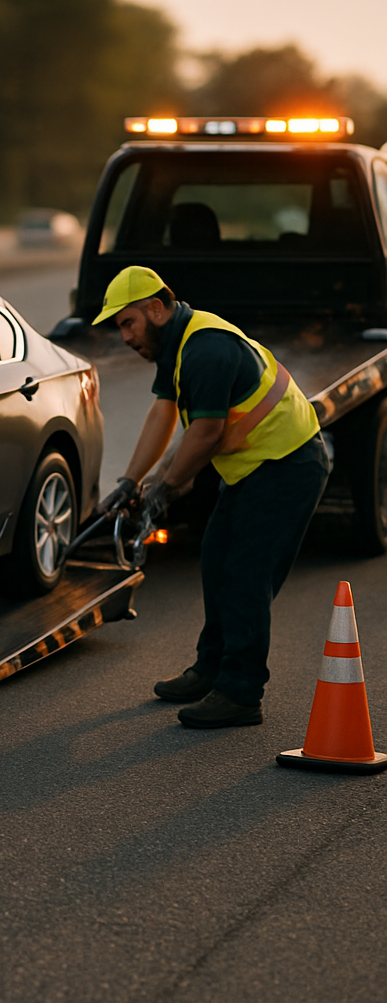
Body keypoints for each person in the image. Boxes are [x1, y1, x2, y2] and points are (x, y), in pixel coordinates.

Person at [94, 265, 330, 728]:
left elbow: (204, 434)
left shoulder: (205, 347)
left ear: (156, 309)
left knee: (245, 575)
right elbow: (163, 412)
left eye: (127, 323)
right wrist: (130, 480)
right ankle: (211, 670)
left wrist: (164, 490)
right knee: (217, 559)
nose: (123, 336)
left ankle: (240, 694)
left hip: (288, 465)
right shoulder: (177, 344)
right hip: (256, 467)